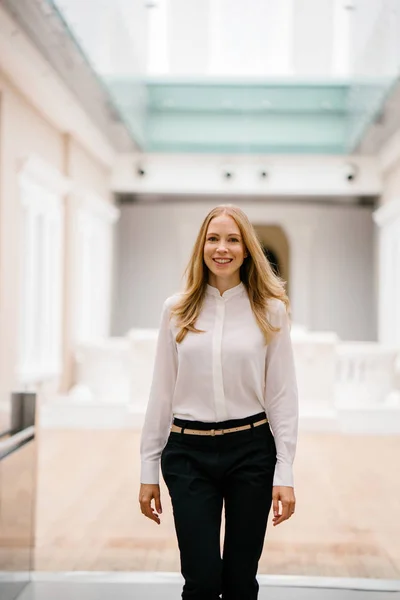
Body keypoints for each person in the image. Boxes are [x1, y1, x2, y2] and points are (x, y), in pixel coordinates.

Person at [139, 204, 298, 600]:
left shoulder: (271, 310)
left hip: (252, 451)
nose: (221, 248)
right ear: (201, 246)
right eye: (213, 238)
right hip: (188, 454)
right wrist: (147, 468)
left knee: (241, 583)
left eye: (232, 239)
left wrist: (286, 471)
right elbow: (162, 389)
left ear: (246, 249)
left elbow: (282, 395)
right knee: (202, 581)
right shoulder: (175, 310)